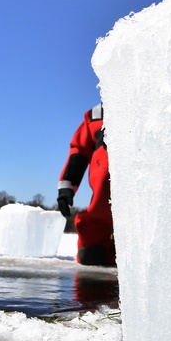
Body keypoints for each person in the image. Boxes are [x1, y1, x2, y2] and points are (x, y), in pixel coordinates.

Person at [57, 102, 116, 267]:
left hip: (144, 201)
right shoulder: (95, 115)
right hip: (102, 205)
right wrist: (66, 188)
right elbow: (79, 153)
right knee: (90, 252)